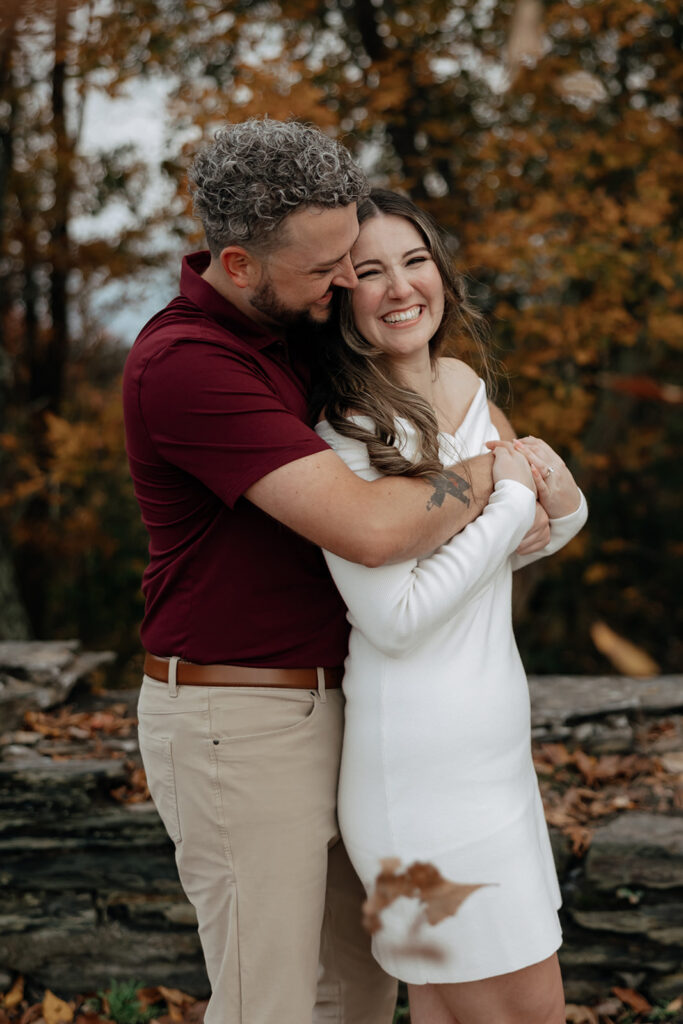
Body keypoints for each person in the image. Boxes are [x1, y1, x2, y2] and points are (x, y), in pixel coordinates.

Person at [122, 119, 550, 1024]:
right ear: (238, 265)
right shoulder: (186, 366)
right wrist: (496, 474)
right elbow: (367, 527)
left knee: (358, 992)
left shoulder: (300, 327)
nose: (342, 290)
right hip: (235, 714)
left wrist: (513, 460)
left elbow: (417, 382)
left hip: (346, 709)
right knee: (267, 1002)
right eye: (328, 272)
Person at [313, 189, 588, 1024]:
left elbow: (546, 521)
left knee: (449, 1010)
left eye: (414, 260)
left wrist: (561, 497)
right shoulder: (346, 434)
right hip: (421, 775)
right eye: (369, 271)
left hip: (496, 763)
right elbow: (395, 616)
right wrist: (506, 508)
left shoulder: (465, 387)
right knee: (527, 1013)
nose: (399, 287)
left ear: (440, 273)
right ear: (340, 297)